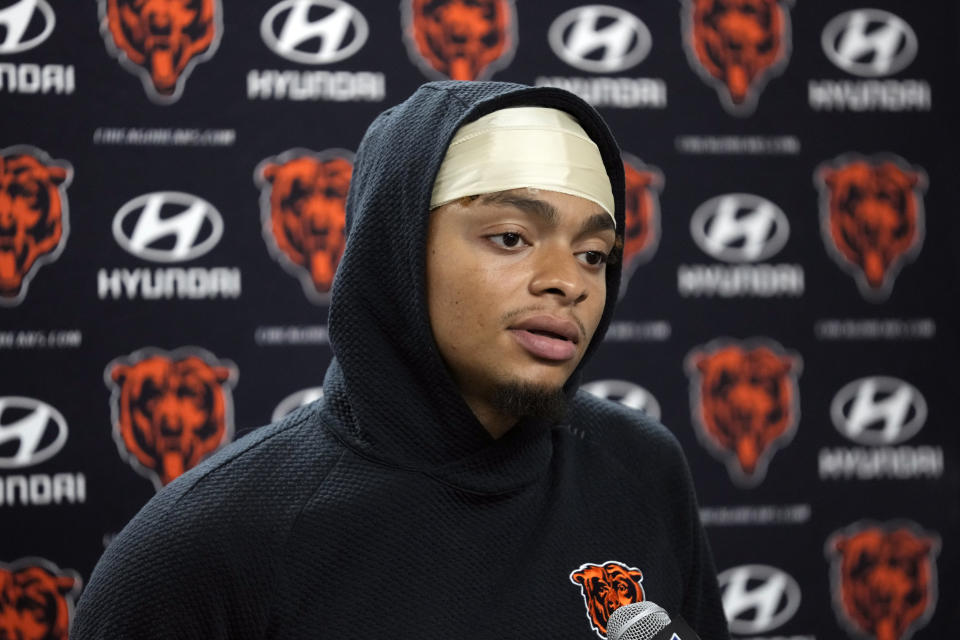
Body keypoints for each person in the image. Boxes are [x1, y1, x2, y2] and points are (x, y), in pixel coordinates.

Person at [72, 81, 730, 639]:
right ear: (396, 248)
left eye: (594, 254)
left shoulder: (641, 467)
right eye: (511, 237)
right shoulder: (204, 548)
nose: (569, 281)